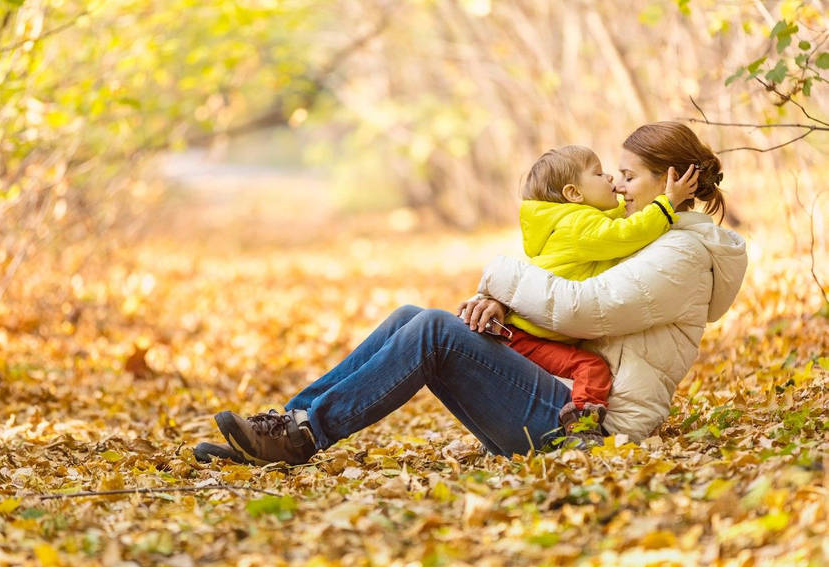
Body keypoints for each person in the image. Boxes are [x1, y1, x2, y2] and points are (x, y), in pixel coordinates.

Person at [193, 121, 747, 465]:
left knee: (436, 329)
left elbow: (584, 308)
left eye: (629, 175)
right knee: (412, 315)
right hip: (559, 386)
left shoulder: (681, 254)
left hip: (585, 422)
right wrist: (504, 305)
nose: (620, 186)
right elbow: (574, 283)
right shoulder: (647, 236)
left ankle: (304, 436)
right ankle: (292, 423)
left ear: (672, 181)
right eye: (616, 175)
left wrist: (500, 283)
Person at [505, 144, 697, 447]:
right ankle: (582, 429)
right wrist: (667, 203)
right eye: (598, 173)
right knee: (591, 368)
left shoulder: (572, 220)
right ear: (573, 194)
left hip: (528, 330)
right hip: (528, 335)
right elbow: (625, 234)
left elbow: (621, 221)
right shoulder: (579, 225)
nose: (611, 179)